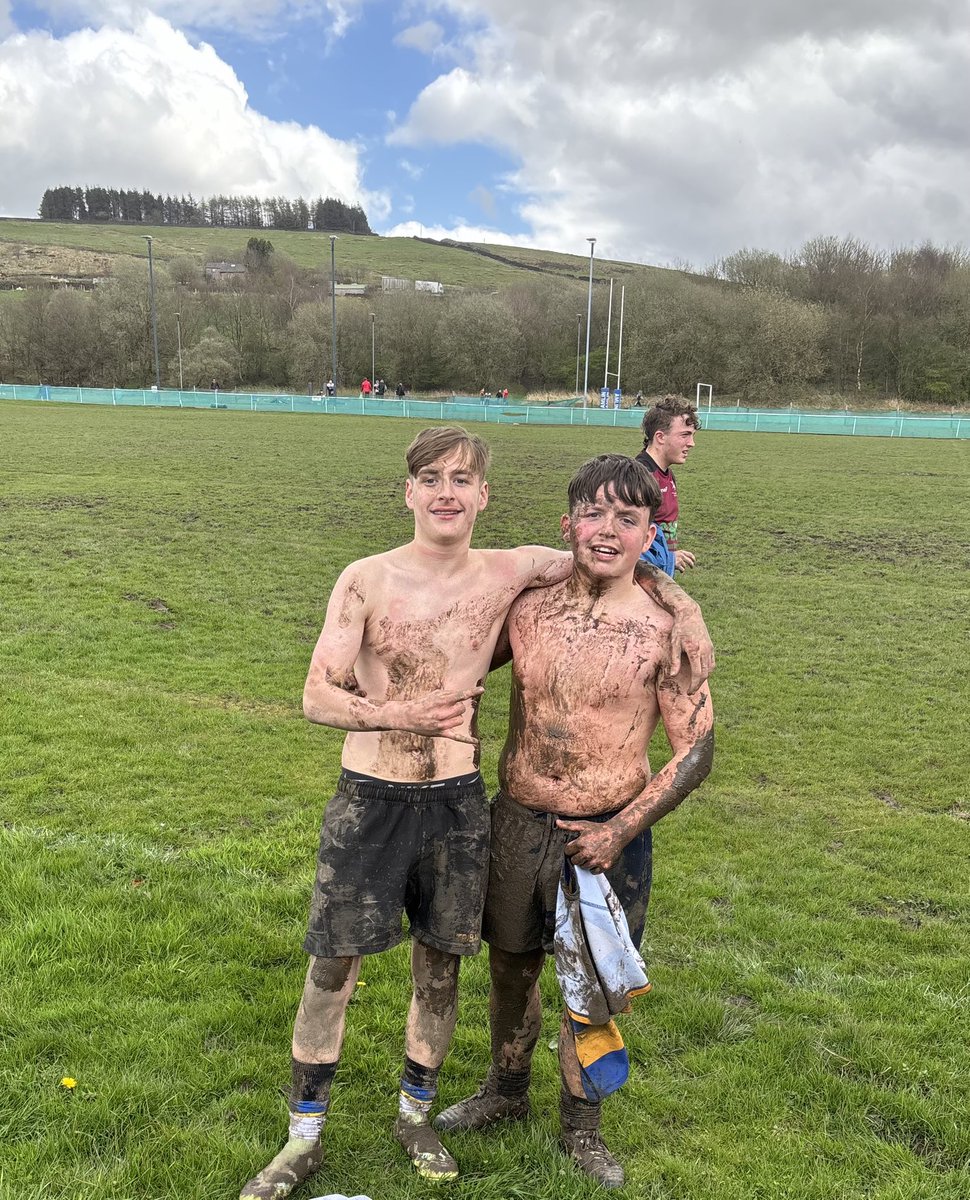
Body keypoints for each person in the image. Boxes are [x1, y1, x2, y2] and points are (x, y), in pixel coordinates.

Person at [240, 429, 713, 1200]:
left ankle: (530, 1123)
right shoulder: (441, 591)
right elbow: (365, 678)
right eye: (432, 478)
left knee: (525, 978)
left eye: (464, 479)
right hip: (449, 809)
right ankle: (416, 1110)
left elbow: (620, 578)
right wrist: (404, 709)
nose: (605, 530)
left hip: (540, 819)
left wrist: (678, 598)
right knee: (441, 968)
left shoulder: (588, 604)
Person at [434, 454, 714, 1189]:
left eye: (628, 519)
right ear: (568, 523)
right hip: (517, 822)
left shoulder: (663, 633)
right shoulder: (529, 607)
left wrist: (619, 831)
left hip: (606, 838)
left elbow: (696, 751)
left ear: (650, 532)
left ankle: (582, 1128)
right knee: (509, 968)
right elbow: (457, 663)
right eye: (594, 513)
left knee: (590, 989)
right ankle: (504, 1091)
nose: (607, 531)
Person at [635, 394, 699, 573]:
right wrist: (669, 558)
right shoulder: (640, 478)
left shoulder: (667, 475)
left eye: (692, 436)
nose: (691, 443)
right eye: (685, 435)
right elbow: (629, 539)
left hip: (659, 573)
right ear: (660, 437)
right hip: (642, 580)